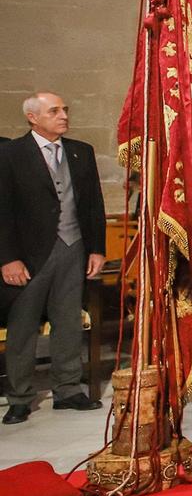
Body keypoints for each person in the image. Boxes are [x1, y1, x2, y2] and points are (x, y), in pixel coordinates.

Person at [0, 93, 106, 422]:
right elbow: (2, 211)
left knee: (68, 321)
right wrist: (8, 258)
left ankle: (68, 389)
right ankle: (19, 396)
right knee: (24, 325)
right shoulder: (10, 153)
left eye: (65, 109)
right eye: (54, 111)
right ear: (33, 117)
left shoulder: (81, 151)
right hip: (29, 254)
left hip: (73, 247)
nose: (63, 116)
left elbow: (93, 205)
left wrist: (97, 249)